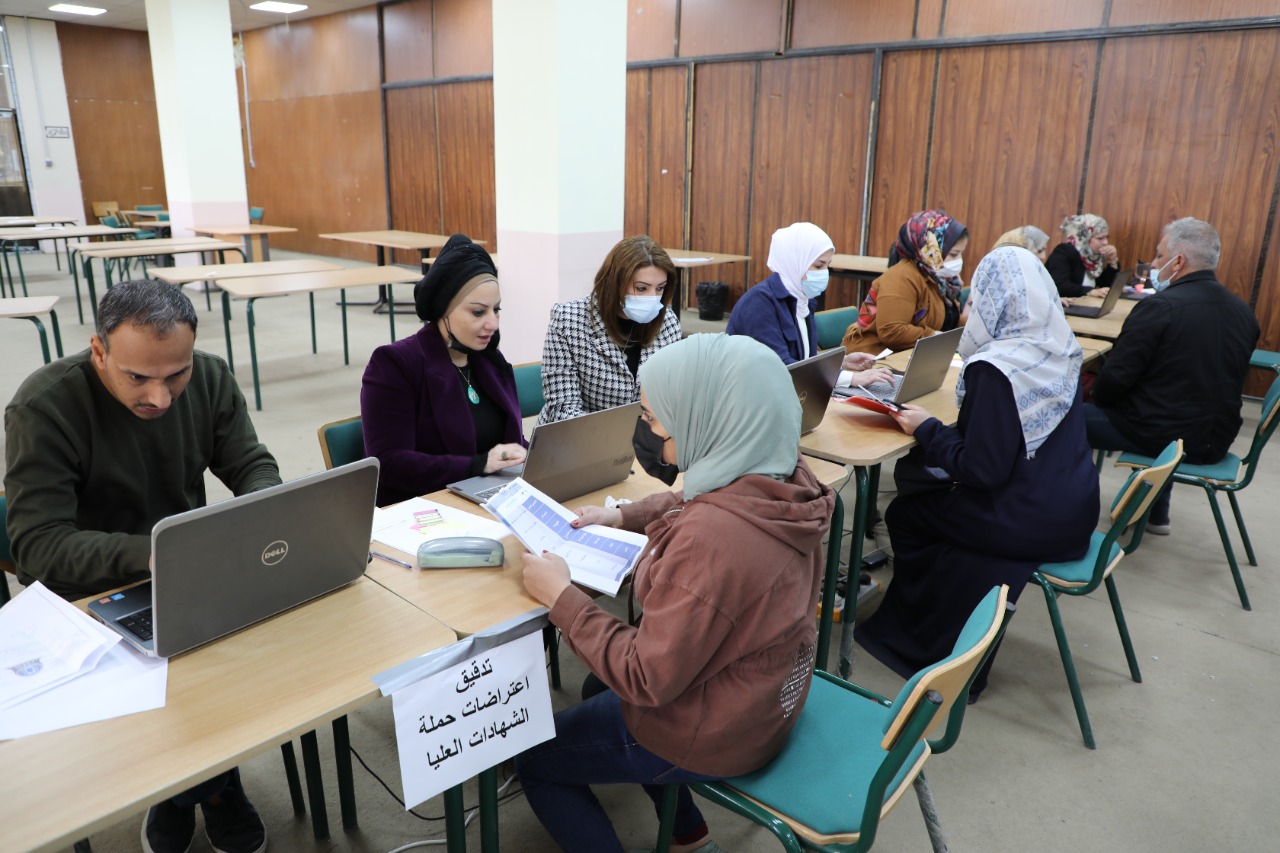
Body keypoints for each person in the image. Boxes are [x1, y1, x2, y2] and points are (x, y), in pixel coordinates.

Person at [515, 334, 835, 853]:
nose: (647, 430)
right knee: (597, 687)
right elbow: (698, 495)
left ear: (706, 418)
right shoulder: (786, 475)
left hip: (711, 729)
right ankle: (687, 831)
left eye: (652, 417)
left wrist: (562, 600)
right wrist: (623, 516)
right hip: (767, 698)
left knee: (535, 759)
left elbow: (646, 677)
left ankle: (673, 809)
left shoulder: (712, 540)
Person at [4, 279, 277, 853]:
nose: (161, 397)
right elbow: (37, 545)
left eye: (176, 374)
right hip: (86, 598)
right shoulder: (44, 405)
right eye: (138, 378)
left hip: (188, 571)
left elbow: (251, 462)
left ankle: (187, 788)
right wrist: (152, 553)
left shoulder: (210, 376)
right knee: (179, 679)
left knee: (270, 653)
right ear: (99, 351)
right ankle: (206, 790)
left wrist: (263, 508)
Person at [856, 247, 1099, 698]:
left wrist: (927, 428)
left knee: (906, 513)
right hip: (1074, 510)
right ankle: (941, 608)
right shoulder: (1059, 345)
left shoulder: (996, 366)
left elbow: (982, 471)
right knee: (928, 491)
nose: (971, 305)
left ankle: (920, 634)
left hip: (1026, 520)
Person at [1084, 217, 1259, 534]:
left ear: (1178, 262)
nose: (1153, 264)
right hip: (1216, 437)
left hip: (1161, 434)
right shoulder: (1242, 311)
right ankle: (1156, 514)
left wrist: (1099, 396)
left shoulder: (1160, 307)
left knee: (1064, 417)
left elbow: (1114, 382)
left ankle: (1071, 508)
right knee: (1172, 402)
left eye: (1159, 256)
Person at [361, 234, 526, 506]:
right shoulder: (394, 364)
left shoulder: (489, 360)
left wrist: (537, 457)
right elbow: (388, 463)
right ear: (443, 309)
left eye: (496, 310)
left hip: (491, 499)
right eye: (478, 312)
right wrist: (477, 465)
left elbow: (509, 441)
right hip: (425, 508)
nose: (493, 324)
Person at [537, 235, 682, 426]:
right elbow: (563, 408)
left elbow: (673, 396)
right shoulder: (568, 320)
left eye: (660, 288)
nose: (652, 297)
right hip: (582, 436)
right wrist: (610, 438)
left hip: (646, 435)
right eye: (641, 288)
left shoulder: (667, 322)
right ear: (615, 283)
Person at [726, 221, 895, 384]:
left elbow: (804, 359)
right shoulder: (759, 304)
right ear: (795, 262)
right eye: (818, 266)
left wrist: (841, 363)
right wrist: (849, 378)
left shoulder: (802, 300)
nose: (825, 273)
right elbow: (782, 368)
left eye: (827, 265)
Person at [842, 209, 970, 354]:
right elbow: (892, 331)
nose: (959, 260)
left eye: (961, 253)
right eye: (953, 254)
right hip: (872, 358)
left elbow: (949, 319)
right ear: (929, 249)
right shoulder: (901, 278)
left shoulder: (939, 279)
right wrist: (935, 337)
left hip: (909, 356)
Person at [1045, 213, 1120, 299]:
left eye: (1106, 237)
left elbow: (1105, 285)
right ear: (1085, 238)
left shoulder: (1094, 257)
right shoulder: (1065, 251)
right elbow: (1060, 285)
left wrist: (1113, 261)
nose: (1106, 242)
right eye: (1100, 238)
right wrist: (1089, 291)